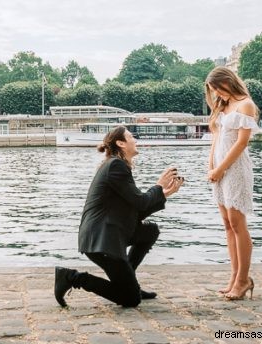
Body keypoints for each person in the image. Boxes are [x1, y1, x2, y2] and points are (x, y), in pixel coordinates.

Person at [54, 125, 184, 308]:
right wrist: (158, 186)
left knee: (150, 230)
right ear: (121, 143)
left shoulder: (117, 165)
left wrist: (164, 193)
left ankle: (131, 283)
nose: (135, 140)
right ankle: (71, 277)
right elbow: (140, 202)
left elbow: (135, 210)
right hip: (102, 240)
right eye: (131, 137)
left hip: (111, 234)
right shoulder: (116, 165)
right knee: (130, 299)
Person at [205, 66, 259, 300]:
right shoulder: (222, 106)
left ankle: (243, 280)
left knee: (238, 224)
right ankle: (234, 277)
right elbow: (216, 139)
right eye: (213, 90)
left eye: (218, 87)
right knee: (227, 224)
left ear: (228, 81)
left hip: (235, 170)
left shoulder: (245, 104)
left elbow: (241, 143)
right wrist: (211, 167)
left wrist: (220, 168)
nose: (217, 93)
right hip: (219, 169)